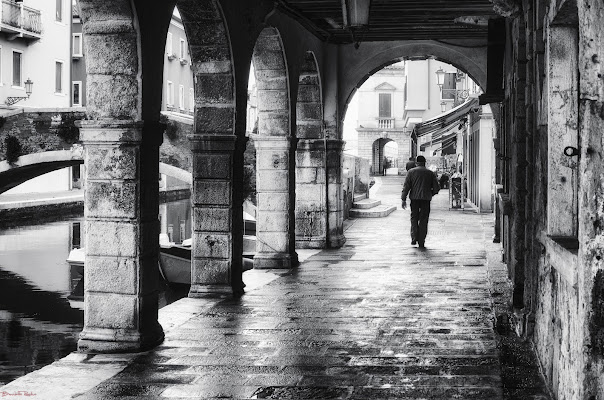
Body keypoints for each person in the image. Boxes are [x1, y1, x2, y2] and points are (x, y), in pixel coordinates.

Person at [401, 155, 440, 248]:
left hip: (414, 199)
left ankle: (414, 237)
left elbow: (406, 187)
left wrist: (403, 199)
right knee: (423, 219)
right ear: (425, 162)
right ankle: (421, 240)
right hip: (426, 199)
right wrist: (430, 194)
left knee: (414, 217)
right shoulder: (430, 173)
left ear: (416, 163)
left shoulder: (411, 172)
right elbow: (436, 188)